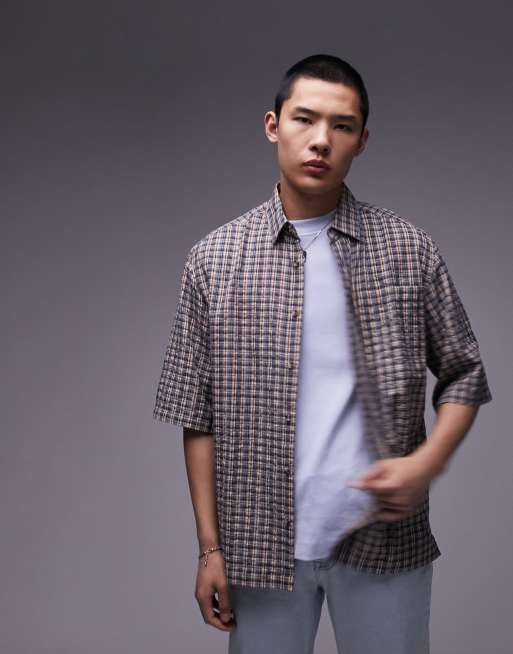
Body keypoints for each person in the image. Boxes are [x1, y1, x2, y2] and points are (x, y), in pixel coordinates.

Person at [152, 54, 492, 654]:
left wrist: (426, 464)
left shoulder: (407, 250)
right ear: (273, 125)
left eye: (342, 125)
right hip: (259, 548)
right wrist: (209, 549)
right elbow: (196, 415)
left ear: (362, 141)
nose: (320, 141)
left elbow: (464, 373)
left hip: (384, 541)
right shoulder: (215, 260)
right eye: (305, 119)